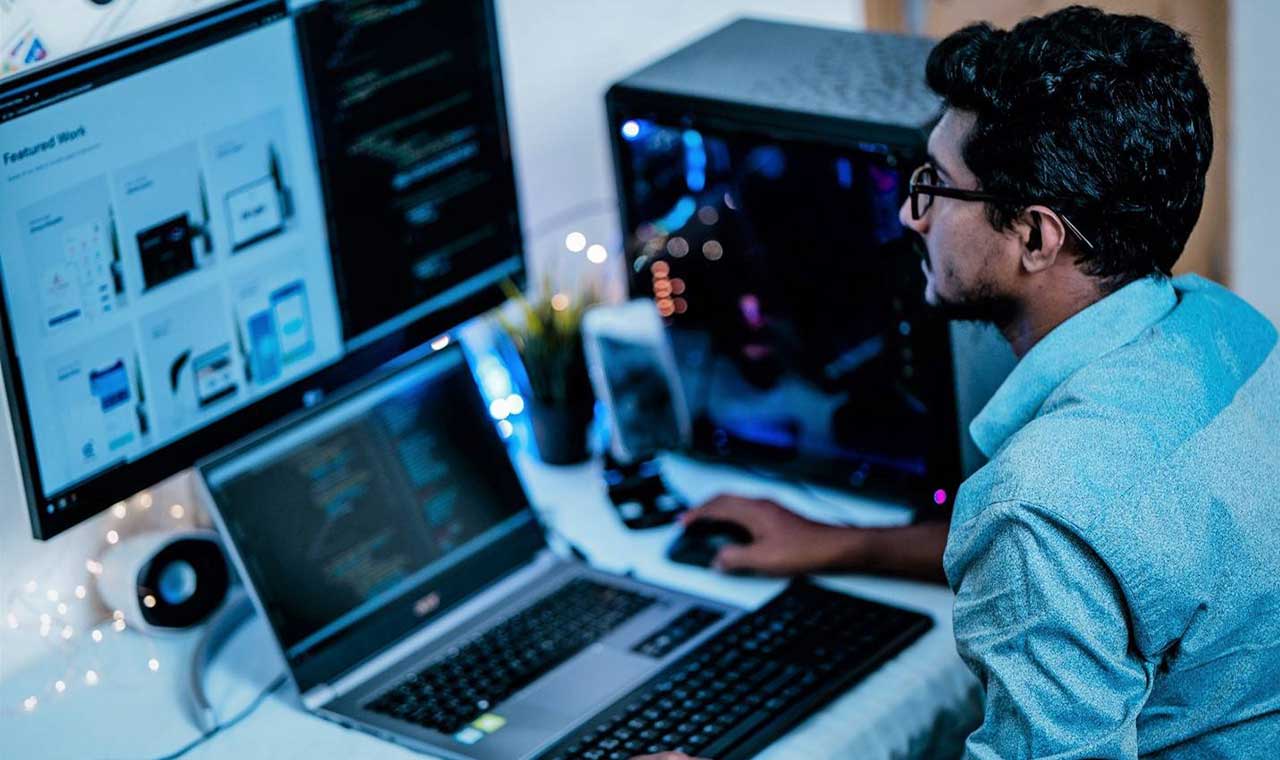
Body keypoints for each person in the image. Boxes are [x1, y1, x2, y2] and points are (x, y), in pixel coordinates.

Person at [633, 5, 1280, 760]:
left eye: (937, 186)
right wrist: (846, 544)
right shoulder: (1226, 328)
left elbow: (1055, 530)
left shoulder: (1037, 507)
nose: (912, 216)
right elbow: (1113, 553)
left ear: (1035, 237)